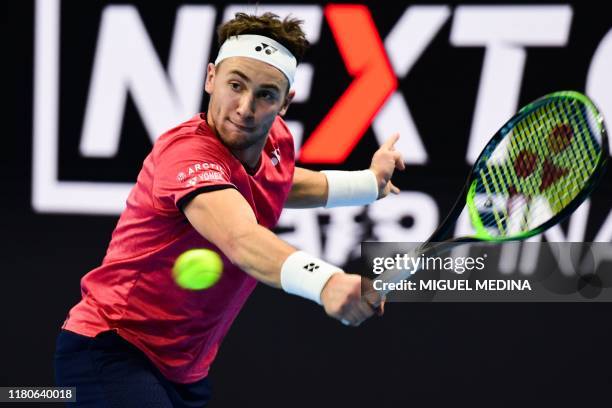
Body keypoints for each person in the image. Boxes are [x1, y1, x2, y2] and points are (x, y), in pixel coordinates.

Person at [54, 12, 404, 407]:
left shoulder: (275, 141)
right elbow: (241, 237)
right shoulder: (186, 154)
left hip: (186, 369)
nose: (244, 107)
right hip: (112, 348)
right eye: (235, 85)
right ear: (210, 79)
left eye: (266, 94)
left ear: (285, 102)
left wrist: (367, 183)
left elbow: (279, 181)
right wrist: (325, 281)